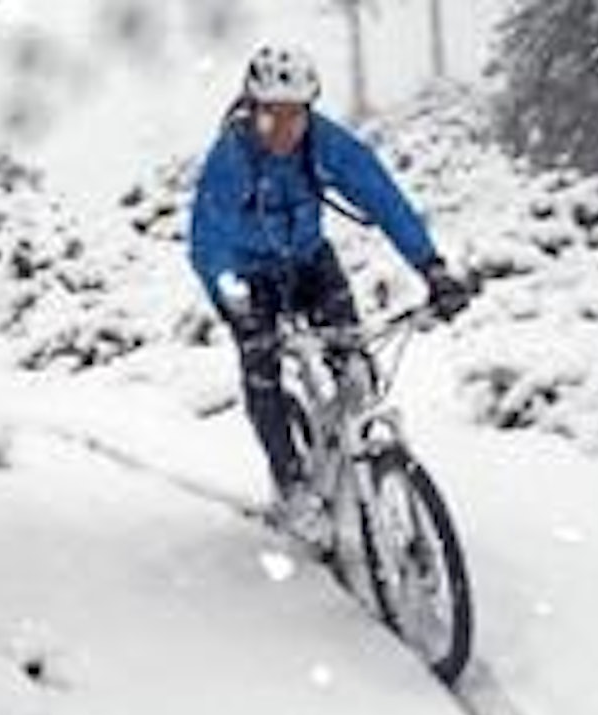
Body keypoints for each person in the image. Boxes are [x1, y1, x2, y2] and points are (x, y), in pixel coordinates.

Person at [189, 43, 470, 540]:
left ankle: (363, 457)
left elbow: (383, 198)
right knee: (263, 373)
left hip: (310, 265)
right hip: (249, 278)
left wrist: (432, 266)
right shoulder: (230, 158)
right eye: (271, 116)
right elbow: (208, 244)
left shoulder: (324, 143)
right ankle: (292, 483)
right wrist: (238, 306)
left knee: (356, 364)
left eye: (295, 116)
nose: (284, 129)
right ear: (251, 110)